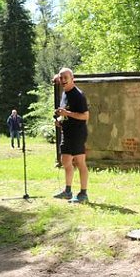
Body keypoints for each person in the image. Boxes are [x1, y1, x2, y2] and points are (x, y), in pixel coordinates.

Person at [52, 67, 90, 204]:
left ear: (72, 79)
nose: (62, 81)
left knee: (80, 163)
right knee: (65, 161)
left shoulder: (78, 95)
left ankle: (83, 194)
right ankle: (67, 191)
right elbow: (66, 113)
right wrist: (60, 121)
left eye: (65, 78)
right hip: (66, 133)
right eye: (61, 78)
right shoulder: (64, 93)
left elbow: (85, 116)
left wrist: (66, 114)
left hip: (77, 134)